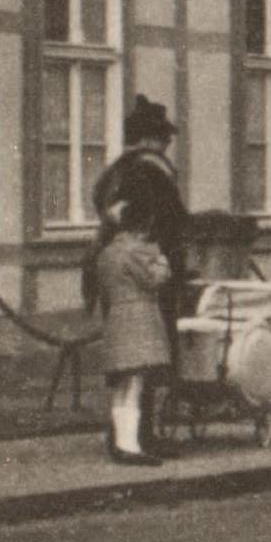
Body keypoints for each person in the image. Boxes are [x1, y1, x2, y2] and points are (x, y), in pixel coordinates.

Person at [90, 94, 191, 453]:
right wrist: (172, 267)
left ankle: (125, 434)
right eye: (164, 138)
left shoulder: (115, 171)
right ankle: (141, 437)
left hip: (114, 275)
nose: (167, 145)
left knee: (127, 365)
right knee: (145, 361)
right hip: (146, 273)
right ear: (150, 139)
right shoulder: (152, 170)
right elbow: (173, 222)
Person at [90, 191, 175, 466]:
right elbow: (156, 280)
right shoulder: (135, 252)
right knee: (135, 384)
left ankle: (120, 444)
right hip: (139, 319)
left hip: (116, 317)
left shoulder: (106, 253)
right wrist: (161, 259)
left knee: (121, 384)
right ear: (144, 225)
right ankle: (130, 446)